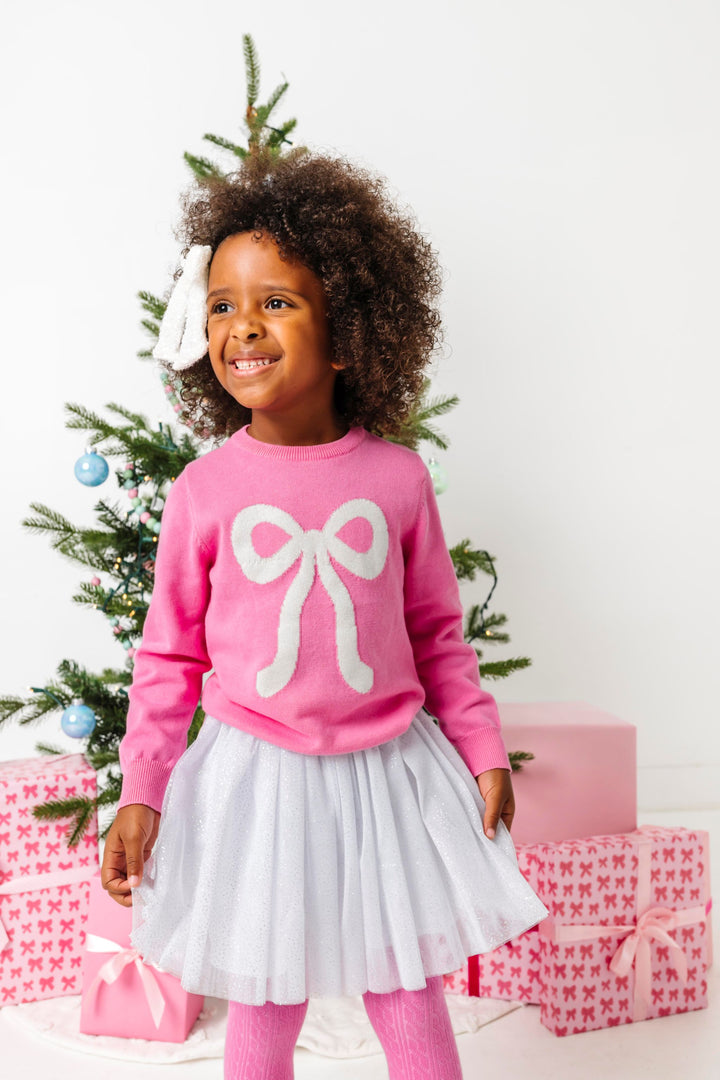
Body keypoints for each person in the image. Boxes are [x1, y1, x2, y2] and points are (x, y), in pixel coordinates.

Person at [101, 150, 548, 1080]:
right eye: (222, 304)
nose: (242, 326)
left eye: (277, 301)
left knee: (407, 992)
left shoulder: (396, 479)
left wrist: (484, 749)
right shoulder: (205, 490)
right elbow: (167, 655)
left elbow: (438, 637)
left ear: (348, 333)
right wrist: (142, 789)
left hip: (386, 774)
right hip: (254, 779)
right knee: (265, 1001)